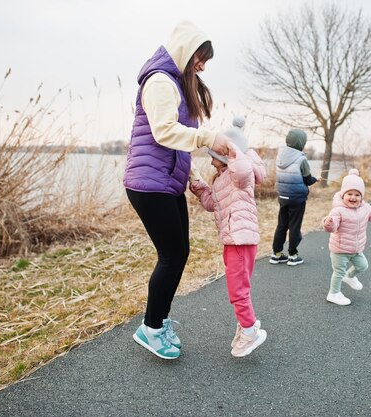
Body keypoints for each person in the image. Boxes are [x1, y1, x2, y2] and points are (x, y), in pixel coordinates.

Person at [123, 21, 231, 360]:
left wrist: (195, 180)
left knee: (179, 253)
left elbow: (178, 148)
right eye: (201, 57)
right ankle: (151, 329)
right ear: (185, 51)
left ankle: (158, 321)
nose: (202, 65)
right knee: (171, 256)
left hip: (166, 183)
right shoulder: (158, 81)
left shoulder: (176, 84)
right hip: (148, 184)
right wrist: (208, 137)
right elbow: (164, 133)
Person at [189, 126, 268, 357]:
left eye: (214, 156)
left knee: (237, 290)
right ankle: (247, 324)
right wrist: (195, 181)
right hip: (234, 239)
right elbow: (211, 203)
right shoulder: (224, 178)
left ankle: (249, 329)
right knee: (239, 288)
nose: (211, 161)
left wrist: (231, 147)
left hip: (240, 240)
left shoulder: (241, 175)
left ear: (225, 156)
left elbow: (241, 169)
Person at [322, 169, 371, 306]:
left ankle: (349, 276)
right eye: (349, 194)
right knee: (338, 272)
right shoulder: (338, 210)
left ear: (362, 196)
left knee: (363, 266)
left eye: (357, 194)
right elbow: (332, 227)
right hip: (340, 249)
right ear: (342, 194)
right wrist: (328, 223)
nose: (353, 197)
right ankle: (333, 294)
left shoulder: (365, 208)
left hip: (356, 249)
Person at [269, 129, 319, 266]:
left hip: (282, 196)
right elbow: (308, 180)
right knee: (294, 226)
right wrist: (316, 179)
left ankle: (276, 254)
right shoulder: (301, 159)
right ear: (301, 142)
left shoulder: (280, 156)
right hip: (297, 198)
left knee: (282, 225)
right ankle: (293, 255)